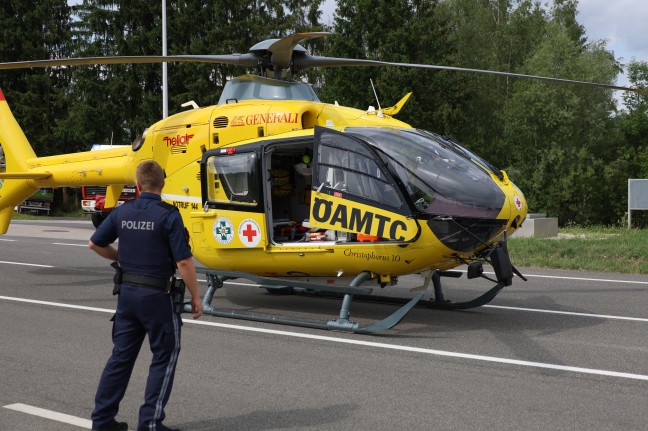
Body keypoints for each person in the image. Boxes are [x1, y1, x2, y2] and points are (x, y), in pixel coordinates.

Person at [88, 160, 203, 431]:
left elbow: (94, 243)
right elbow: (184, 262)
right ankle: (150, 424)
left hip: (127, 296)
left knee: (120, 359)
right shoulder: (168, 214)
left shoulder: (121, 211)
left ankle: (102, 422)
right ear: (162, 184)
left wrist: (122, 259)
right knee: (164, 357)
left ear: (137, 185)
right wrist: (196, 297)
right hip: (157, 299)